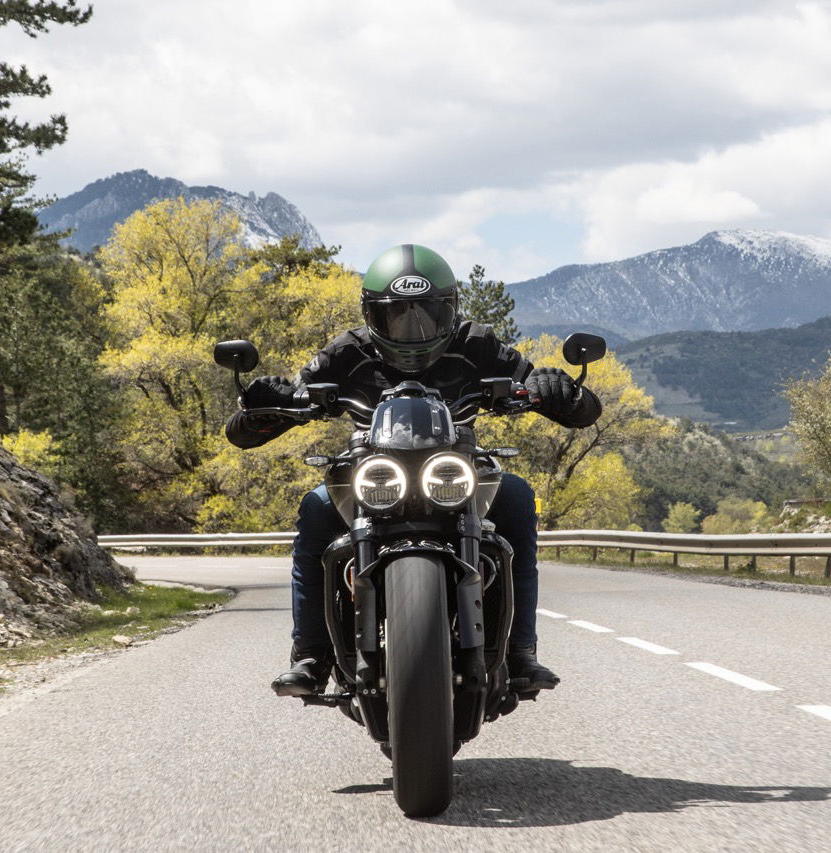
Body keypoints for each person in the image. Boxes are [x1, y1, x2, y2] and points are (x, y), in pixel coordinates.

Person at [224, 244, 601, 697]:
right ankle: (311, 653)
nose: (413, 326)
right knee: (316, 509)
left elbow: (575, 408)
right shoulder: (347, 352)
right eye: (397, 314)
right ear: (372, 315)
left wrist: (557, 388)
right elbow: (254, 425)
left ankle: (521, 650)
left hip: (455, 471)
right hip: (374, 473)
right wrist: (268, 404)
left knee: (517, 497)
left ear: (451, 310)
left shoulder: (477, 344)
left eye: (427, 313)